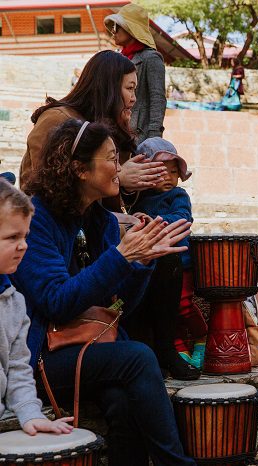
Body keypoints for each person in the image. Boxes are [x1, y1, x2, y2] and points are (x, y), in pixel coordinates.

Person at [13, 119, 195, 465]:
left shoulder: (102, 221)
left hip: (92, 347)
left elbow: (118, 306)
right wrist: (121, 257)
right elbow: (56, 302)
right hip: (43, 357)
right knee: (139, 356)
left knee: (125, 405)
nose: (119, 168)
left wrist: (141, 263)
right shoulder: (38, 220)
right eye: (112, 159)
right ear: (80, 169)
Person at [20, 50, 167, 199]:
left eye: (135, 90)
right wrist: (117, 178)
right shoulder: (57, 118)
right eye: (129, 88)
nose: (134, 98)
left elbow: (111, 202)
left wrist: (128, 186)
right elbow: (43, 184)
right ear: (108, 89)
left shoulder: (111, 128)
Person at [0, 180, 74, 437]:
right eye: (12, 237)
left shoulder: (14, 303)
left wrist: (30, 412)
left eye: (25, 236)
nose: (24, 245)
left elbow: (18, 368)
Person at [129, 137, 204, 377]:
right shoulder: (137, 199)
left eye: (173, 172)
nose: (169, 178)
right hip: (150, 264)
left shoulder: (178, 195)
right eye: (162, 172)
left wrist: (153, 223)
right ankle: (177, 349)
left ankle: (200, 335)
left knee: (182, 305)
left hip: (180, 263)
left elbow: (182, 218)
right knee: (157, 308)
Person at [105, 3, 166, 144]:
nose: (113, 31)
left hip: (139, 136)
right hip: (114, 131)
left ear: (130, 29)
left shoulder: (151, 58)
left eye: (117, 27)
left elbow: (158, 99)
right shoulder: (117, 58)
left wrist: (154, 138)